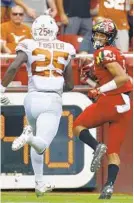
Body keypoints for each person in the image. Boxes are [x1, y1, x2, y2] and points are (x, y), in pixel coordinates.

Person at [0, 14, 75, 197]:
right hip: (51, 100)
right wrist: (56, 86)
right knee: (40, 144)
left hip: (32, 98)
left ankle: (39, 182)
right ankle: (27, 137)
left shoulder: (29, 44)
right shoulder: (66, 47)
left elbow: (13, 67)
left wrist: (1, 89)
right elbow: (71, 84)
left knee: (37, 144)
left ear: (35, 29)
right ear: (54, 30)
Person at [73, 19, 132, 199]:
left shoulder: (103, 52)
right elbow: (116, 77)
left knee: (77, 126)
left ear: (110, 37)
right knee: (113, 152)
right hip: (125, 104)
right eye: (97, 34)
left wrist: (99, 89)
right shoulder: (116, 53)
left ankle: (97, 146)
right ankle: (109, 187)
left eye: (102, 35)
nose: (98, 37)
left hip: (111, 101)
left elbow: (121, 78)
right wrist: (92, 80)